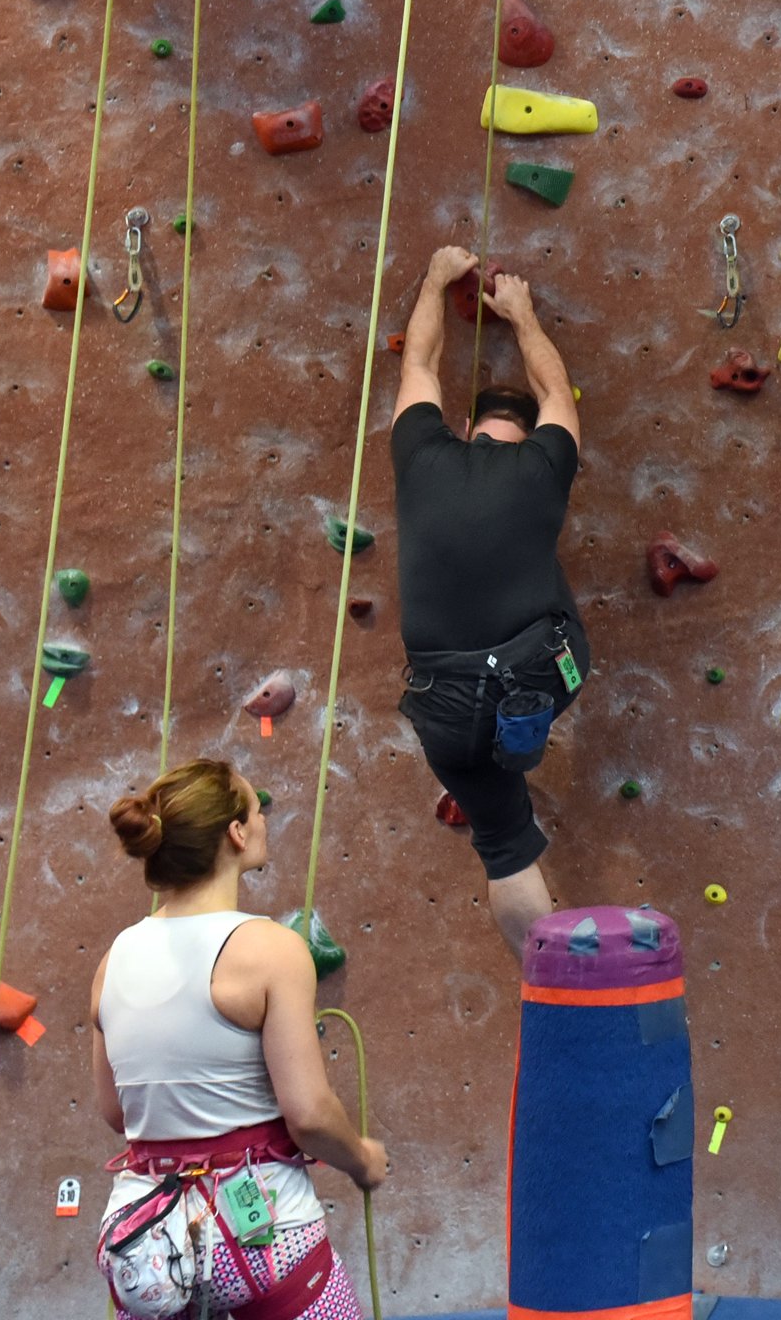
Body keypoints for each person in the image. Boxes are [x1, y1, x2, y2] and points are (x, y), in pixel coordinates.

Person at [93, 759, 385, 1320]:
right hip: (260, 1233)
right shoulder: (270, 949)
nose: (263, 822)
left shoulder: (113, 960)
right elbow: (310, 1114)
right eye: (257, 811)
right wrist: (362, 1160)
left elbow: (116, 1111)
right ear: (235, 832)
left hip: (149, 1244)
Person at [392, 244, 588, 957]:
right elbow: (555, 390)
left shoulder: (423, 457)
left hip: (448, 707)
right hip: (546, 672)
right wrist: (523, 315)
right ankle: (525, 724)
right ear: (528, 435)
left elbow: (419, 365)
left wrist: (438, 278)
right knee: (543, 576)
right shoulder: (545, 464)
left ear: (468, 430)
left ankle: (545, 977)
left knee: (504, 847)